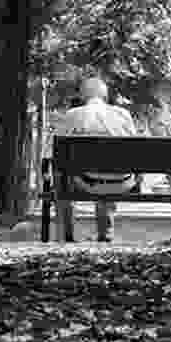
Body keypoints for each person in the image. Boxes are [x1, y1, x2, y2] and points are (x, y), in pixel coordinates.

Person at [55, 77, 140, 242]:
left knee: (64, 172)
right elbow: (135, 149)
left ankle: (67, 233)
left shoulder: (73, 115)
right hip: (121, 181)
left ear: (82, 96)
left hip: (86, 182)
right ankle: (106, 232)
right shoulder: (123, 115)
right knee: (110, 169)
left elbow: (59, 152)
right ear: (105, 96)